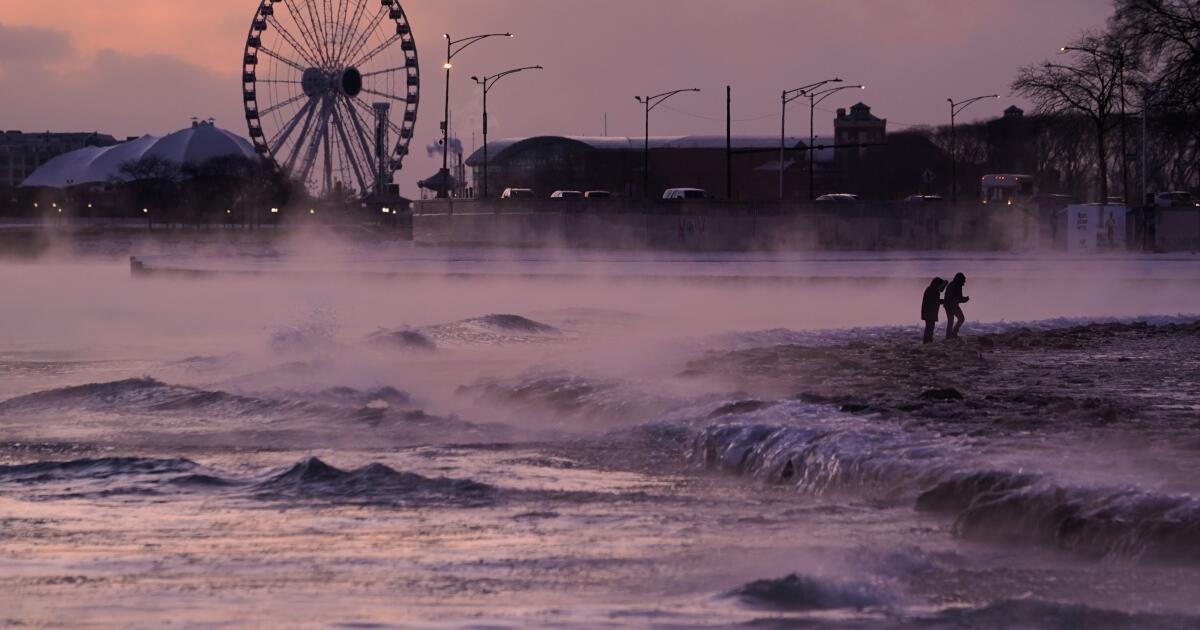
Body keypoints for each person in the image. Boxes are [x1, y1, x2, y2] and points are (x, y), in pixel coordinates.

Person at [944, 272, 970, 339]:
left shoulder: (952, 284)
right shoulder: (957, 285)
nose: (963, 283)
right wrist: (965, 299)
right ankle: (953, 334)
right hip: (952, 306)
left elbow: (957, 298)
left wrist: (963, 299)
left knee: (951, 321)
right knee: (960, 319)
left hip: (948, 305)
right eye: (963, 281)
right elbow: (959, 298)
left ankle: (949, 336)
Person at [921, 277, 947, 344]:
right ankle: (927, 341)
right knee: (930, 327)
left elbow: (935, 301)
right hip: (929, 313)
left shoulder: (932, 289)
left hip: (928, 312)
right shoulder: (932, 290)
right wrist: (945, 301)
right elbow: (935, 301)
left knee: (930, 327)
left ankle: (928, 341)